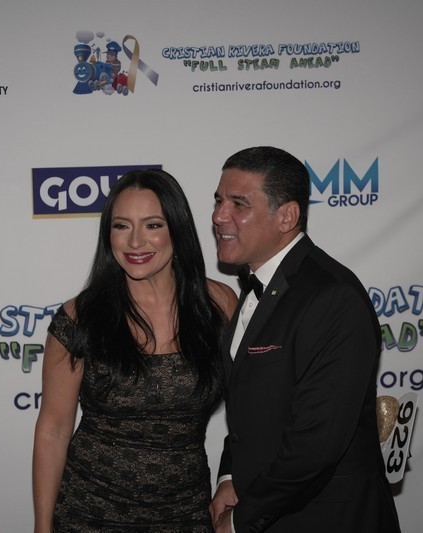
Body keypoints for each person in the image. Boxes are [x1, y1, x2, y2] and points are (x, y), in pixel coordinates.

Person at [33, 168, 238, 532]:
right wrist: (42, 527)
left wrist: (232, 476)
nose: (135, 241)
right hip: (89, 515)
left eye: (153, 225)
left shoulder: (218, 305)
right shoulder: (80, 317)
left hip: (186, 514)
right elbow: (54, 429)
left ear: (177, 229)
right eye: (121, 226)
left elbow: (250, 409)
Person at [209, 147, 401, 532]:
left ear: (287, 217)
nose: (218, 216)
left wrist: (241, 521)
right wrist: (230, 475)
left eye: (238, 204)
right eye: (218, 201)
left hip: (327, 519)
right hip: (271, 509)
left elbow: (316, 444)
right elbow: (254, 409)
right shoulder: (258, 284)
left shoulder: (332, 296)